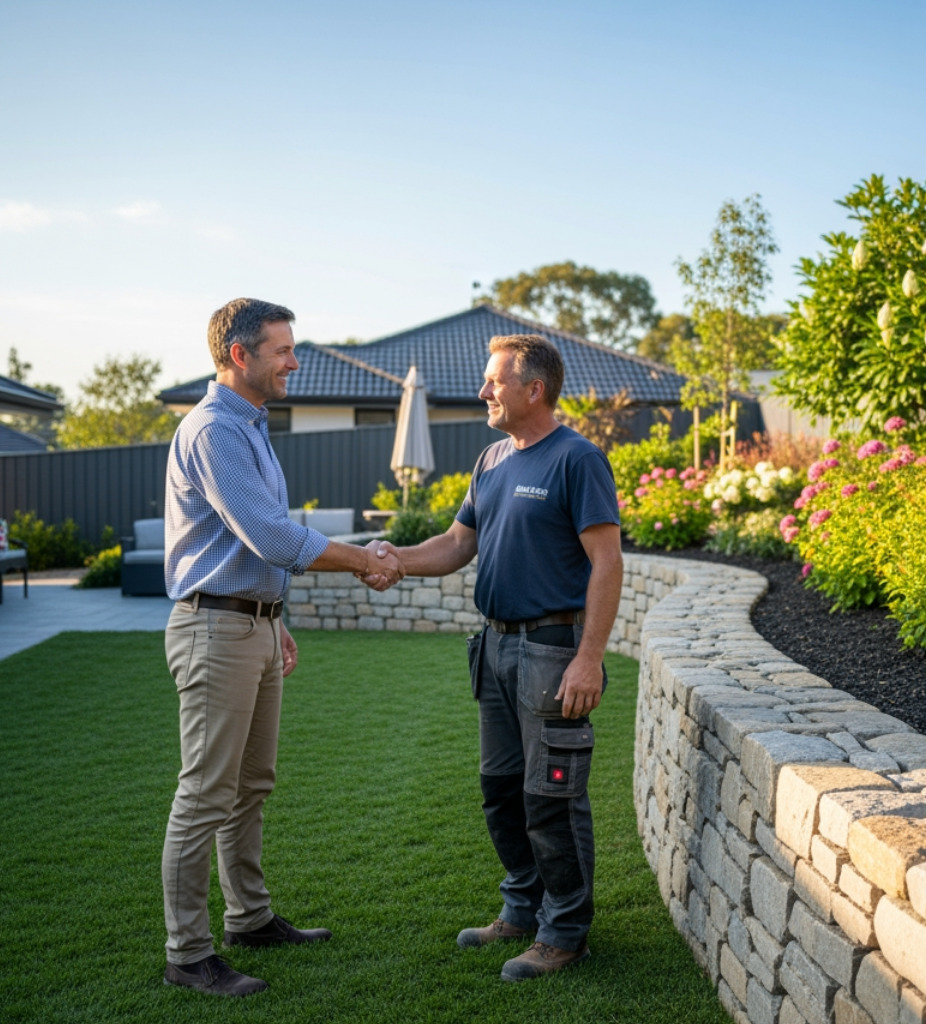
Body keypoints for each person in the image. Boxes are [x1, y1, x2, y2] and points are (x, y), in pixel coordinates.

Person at [160, 297, 402, 997]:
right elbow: (271, 535)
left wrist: (275, 615)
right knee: (205, 793)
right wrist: (363, 560)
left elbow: (252, 542)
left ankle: (250, 918)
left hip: (253, 624)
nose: (293, 361)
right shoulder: (214, 431)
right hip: (216, 629)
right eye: (282, 350)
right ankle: (187, 953)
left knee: (251, 787)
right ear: (240, 355)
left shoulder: (254, 427)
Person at [377, 333, 622, 982]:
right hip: (494, 646)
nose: (483, 391)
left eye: (494, 381)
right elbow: (458, 545)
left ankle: (565, 933)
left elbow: (607, 562)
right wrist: (394, 560)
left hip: (552, 648)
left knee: (552, 796)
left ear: (533, 389)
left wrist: (588, 658)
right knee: (499, 790)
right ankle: (521, 909)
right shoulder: (490, 460)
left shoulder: (578, 459)